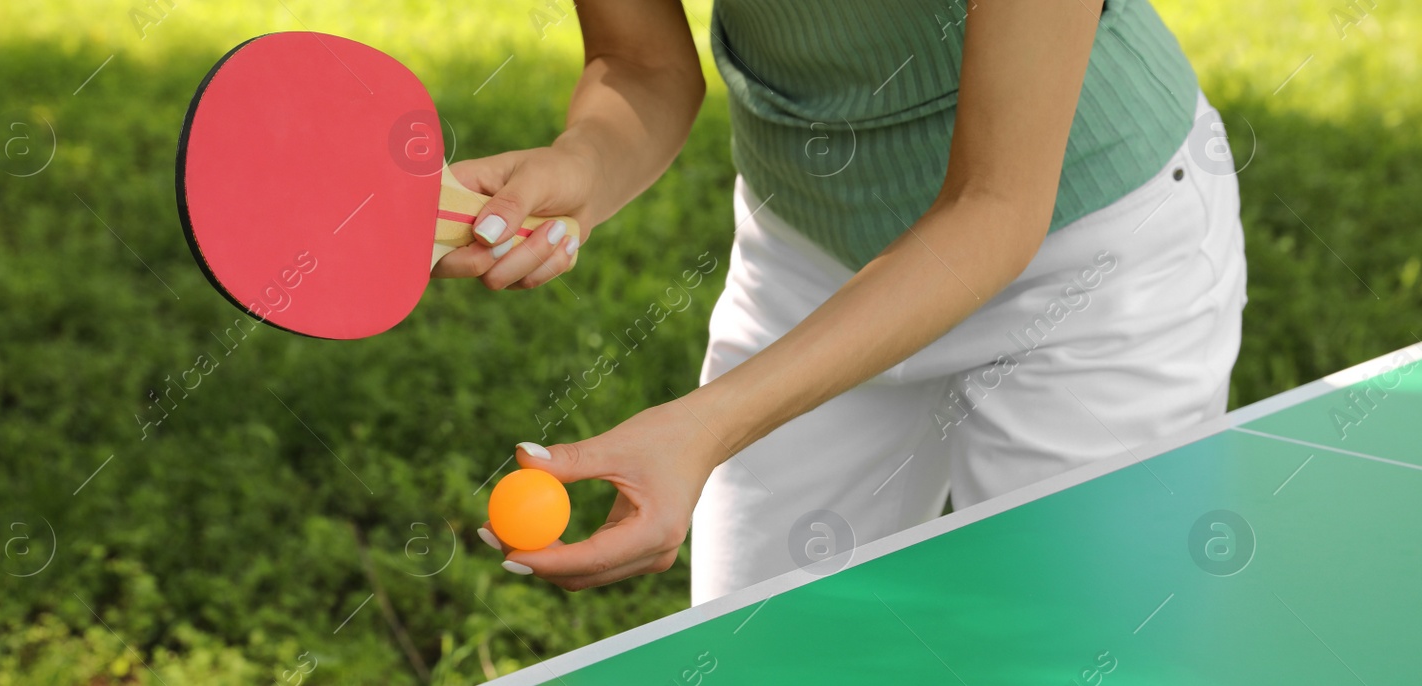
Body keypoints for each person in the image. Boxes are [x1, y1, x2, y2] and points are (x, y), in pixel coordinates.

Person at [435, 0, 1246, 603]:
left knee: (1068, 653)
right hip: (812, 257)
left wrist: (707, 425)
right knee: (762, 647)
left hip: (1089, 265)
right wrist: (586, 161)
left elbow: (994, 208)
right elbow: (641, 64)